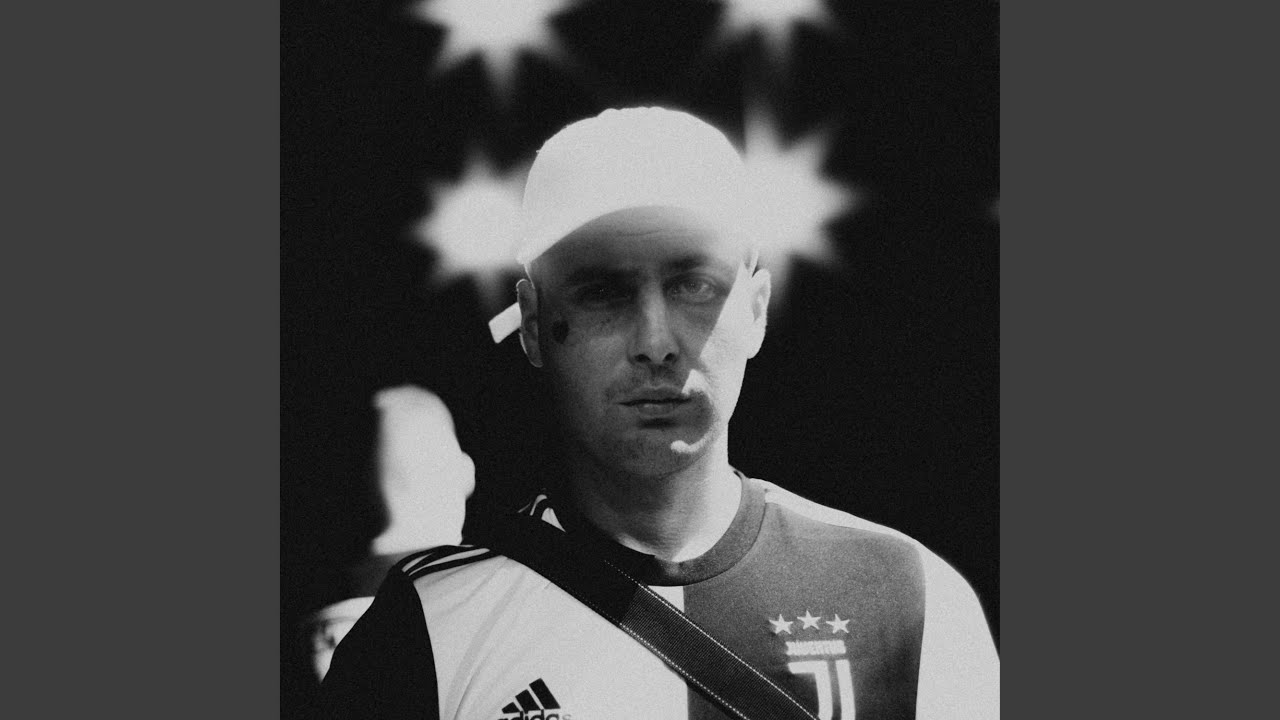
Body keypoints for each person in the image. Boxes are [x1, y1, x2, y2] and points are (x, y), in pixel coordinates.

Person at [318, 106, 999, 720]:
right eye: (603, 291)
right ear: (532, 324)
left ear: (756, 309)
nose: (655, 342)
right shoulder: (428, 629)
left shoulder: (907, 598)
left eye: (694, 284)